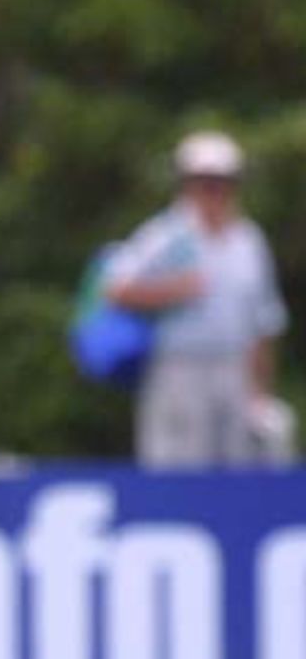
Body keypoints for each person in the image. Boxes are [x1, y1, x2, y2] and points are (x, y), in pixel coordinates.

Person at [103, 130, 290, 467]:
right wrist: (173, 291)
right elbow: (115, 289)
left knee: (238, 466)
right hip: (179, 368)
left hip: (235, 370)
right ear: (187, 183)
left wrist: (260, 391)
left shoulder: (248, 240)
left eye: (222, 181)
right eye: (204, 181)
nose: (214, 190)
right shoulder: (165, 236)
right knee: (178, 465)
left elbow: (264, 322)